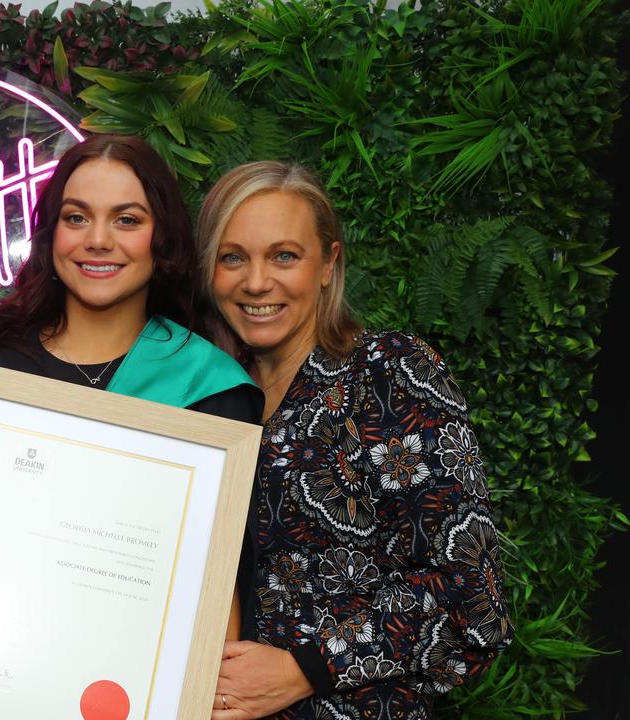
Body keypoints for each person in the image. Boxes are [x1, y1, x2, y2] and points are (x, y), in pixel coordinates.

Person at [198, 161, 512, 719]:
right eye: (233, 257)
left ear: (328, 265)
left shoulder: (390, 376)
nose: (255, 281)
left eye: (284, 255)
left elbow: (474, 602)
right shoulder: (211, 396)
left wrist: (305, 669)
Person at [0, 133, 262, 474]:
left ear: (163, 236)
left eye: (127, 220)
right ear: (52, 233)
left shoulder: (209, 389)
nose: (98, 240)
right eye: (76, 218)